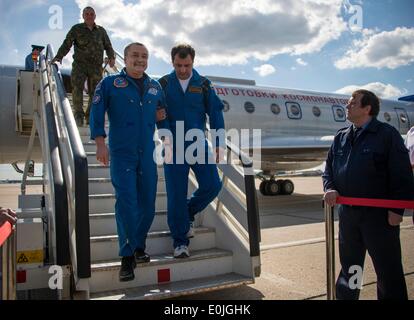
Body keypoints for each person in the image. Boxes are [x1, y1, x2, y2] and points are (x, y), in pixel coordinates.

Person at [322, 89, 414, 300]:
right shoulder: (341, 137)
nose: (347, 106)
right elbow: (328, 168)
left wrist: (396, 209)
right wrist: (329, 187)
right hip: (349, 216)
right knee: (351, 268)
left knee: (387, 270)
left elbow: (401, 173)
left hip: (379, 217)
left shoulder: (386, 135)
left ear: (367, 108)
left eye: (352, 103)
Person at [90, 42, 170, 282]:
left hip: (147, 152)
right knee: (126, 201)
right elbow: (96, 112)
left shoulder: (155, 87)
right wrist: (100, 143)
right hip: (121, 152)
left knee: (147, 203)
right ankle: (126, 257)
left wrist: (167, 140)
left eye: (144, 56)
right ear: (124, 59)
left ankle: (138, 246)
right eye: (135, 55)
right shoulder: (110, 84)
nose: (140, 59)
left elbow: (163, 116)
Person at [158, 44, 225, 258]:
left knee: (213, 185)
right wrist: (166, 136)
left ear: (193, 62)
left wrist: (218, 142)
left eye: (187, 65)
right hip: (172, 145)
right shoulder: (163, 84)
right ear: (172, 62)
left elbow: (215, 113)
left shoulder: (204, 85)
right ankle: (180, 242)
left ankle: (187, 212)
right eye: (179, 65)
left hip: (198, 144)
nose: (183, 70)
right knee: (176, 194)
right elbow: (159, 115)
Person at [52, 6, 115, 127]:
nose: (89, 16)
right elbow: (67, 44)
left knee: (96, 92)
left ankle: (89, 115)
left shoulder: (101, 31)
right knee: (77, 88)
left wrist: (111, 57)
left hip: (96, 67)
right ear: (83, 16)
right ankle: (78, 116)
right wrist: (59, 56)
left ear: (95, 16)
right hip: (80, 65)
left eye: (92, 14)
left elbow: (108, 45)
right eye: (87, 14)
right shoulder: (76, 29)